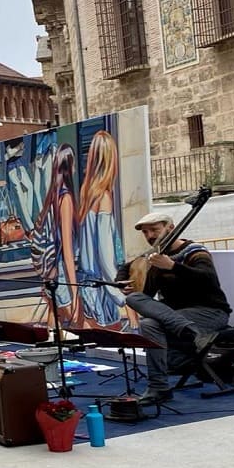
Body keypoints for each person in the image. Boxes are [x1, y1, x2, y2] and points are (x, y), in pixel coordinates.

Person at [116, 212, 231, 405]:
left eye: (154, 230)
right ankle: (159, 386)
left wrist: (173, 266)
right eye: (145, 232)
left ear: (170, 228)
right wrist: (121, 282)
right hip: (177, 317)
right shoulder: (151, 257)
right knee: (136, 301)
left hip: (210, 312)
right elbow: (125, 268)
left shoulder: (194, 250)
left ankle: (186, 333)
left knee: (151, 323)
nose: (150, 235)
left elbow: (208, 278)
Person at [76, 131, 129, 329]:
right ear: (110, 160)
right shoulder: (103, 197)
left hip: (88, 285)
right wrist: (120, 293)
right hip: (101, 289)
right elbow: (106, 255)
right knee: (112, 346)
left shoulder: (86, 191)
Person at [34, 143, 79, 327]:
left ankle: (50, 347)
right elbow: (67, 250)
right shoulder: (65, 199)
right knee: (74, 320)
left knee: (54, 313)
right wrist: (75, 292)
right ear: (69, 166)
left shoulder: (51, 197)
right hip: (60, 271)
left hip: (49, 269)